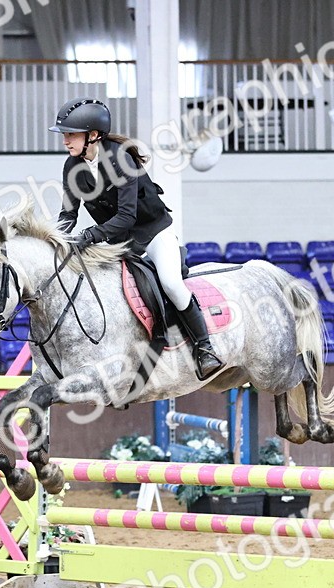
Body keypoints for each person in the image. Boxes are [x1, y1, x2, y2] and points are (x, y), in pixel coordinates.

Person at [50, 97, 224, 381]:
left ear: (92, 135)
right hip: (120, 243)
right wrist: (56, 239)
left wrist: (90, 235)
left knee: (170, 283)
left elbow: (127, 216)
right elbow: (68, 212)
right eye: (65, 135)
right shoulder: (72, 167)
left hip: (153, 234)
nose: (65, 141)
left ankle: (205, 348)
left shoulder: (121, 159)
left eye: (71, 134)